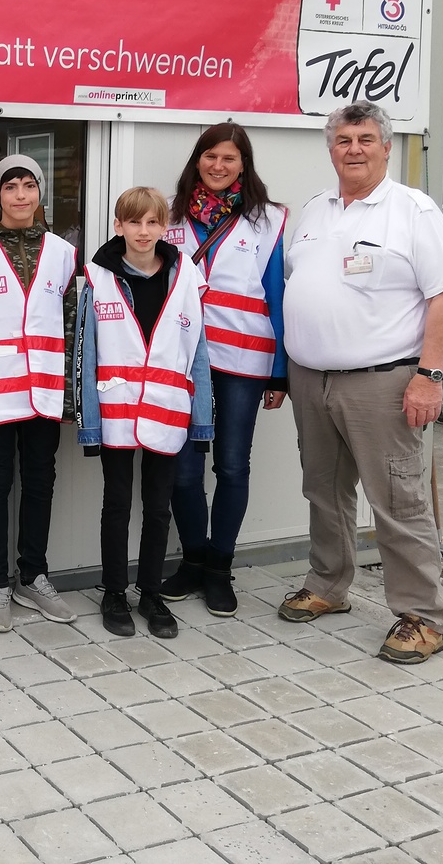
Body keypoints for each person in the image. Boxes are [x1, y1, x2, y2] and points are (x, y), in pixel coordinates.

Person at [280, 100, 443, 665]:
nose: (353, 149)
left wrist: (429, 377)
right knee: (324, 491)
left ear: (386, 147)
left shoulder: (413, 211)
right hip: (311, 378)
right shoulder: (315, 210)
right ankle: (328, 585)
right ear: (330, 149)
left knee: (397, 499)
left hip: (382, 382)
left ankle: (423, 616)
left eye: (364, 139)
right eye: (343, 140)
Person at [159, 123, 288, 617]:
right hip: (183, 361)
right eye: (210, 156)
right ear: (198, 160)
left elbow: (276, 294)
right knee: (184, 469)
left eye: (229, 158)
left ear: (243, 165)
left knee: (232, 464)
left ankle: (219, 568)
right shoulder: (169, 217)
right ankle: (193, 559)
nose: (218, 165)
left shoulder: (268, 220)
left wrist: (280, 372)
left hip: (244, 362)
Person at [77, 187, 213, 640]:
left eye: (152, 222)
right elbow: (85, 353)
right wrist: (89, 424)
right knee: (116, 504)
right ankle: (114, 592)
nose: (143, 231)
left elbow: (198, 351)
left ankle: (151, 593)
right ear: (119, 226)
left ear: (164, 227)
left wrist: (202, 418)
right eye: (134, 222)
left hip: (168, 409)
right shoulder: (98, 277)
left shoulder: (186, 275)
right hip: (115, 411)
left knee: (158, 507)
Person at [0, 155, 78, 632]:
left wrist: (68, 395)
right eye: (11, 187)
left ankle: (33, 576)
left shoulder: (63, 253)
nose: (21, 195)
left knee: (41, 480)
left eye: (29, 185)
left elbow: (71, 330)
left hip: (45, 391)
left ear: (40, 192)